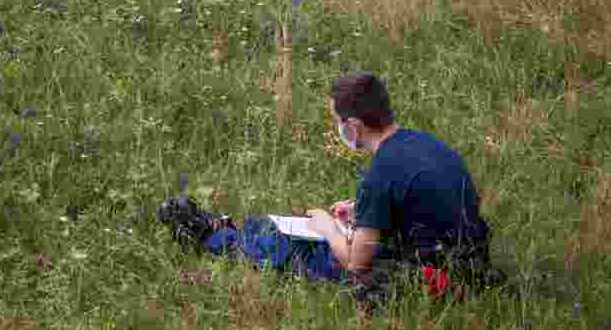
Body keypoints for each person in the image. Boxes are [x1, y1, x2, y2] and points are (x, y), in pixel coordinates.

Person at [157, 71, 505, 311]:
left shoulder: (381, 173)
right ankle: (231, 230)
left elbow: (356, 264)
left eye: (337, 122)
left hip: (429, 275)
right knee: (327, 231)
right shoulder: (429, 144)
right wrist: (361, 211)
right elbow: (421, 201)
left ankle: (211, 235)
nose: (339, 129)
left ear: (353, 126)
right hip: (468, 261)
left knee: (308, 249)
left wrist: (326, 226)